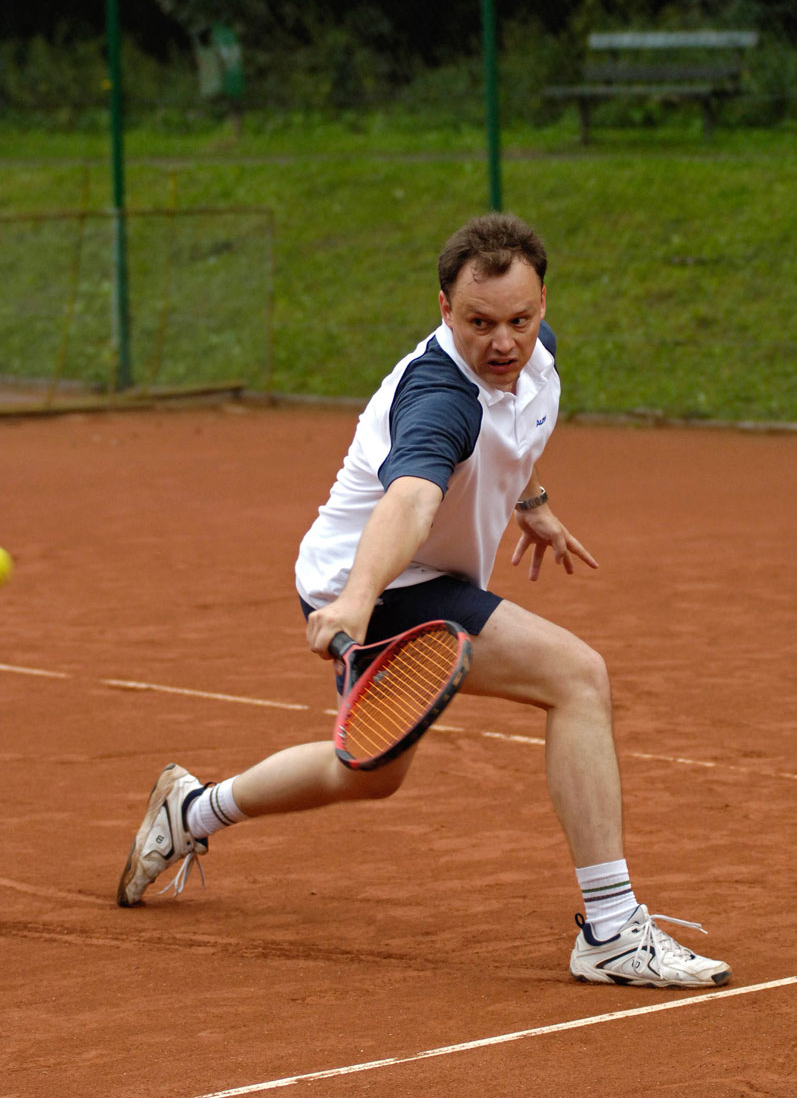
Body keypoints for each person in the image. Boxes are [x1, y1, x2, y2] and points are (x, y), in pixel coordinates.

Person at [117, 212, 731, 989]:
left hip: (412, 580)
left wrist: (530, 499)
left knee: (370, 774)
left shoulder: (533, 353)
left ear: (542, 304)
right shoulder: (439, 397)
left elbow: (514, 433)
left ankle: (191, 810)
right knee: (577, 677)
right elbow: (410, 498)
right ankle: (610, 930)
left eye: (519, 320)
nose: (502, 342)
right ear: (443, 308)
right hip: (379, 586)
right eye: (479, 323)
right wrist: (357, 600)